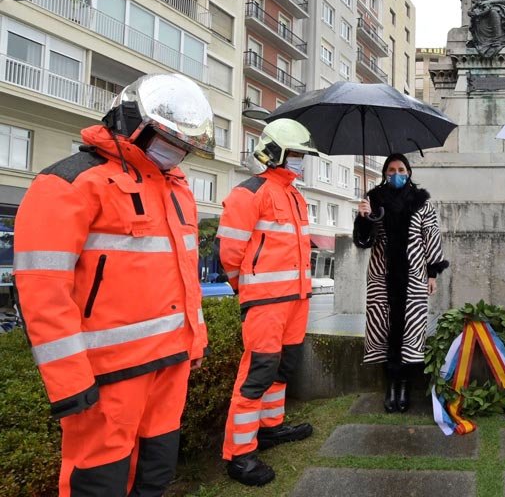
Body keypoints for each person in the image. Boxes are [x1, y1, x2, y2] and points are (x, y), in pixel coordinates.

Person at [12, 73, 213, 496]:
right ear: (131, 120)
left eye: (185, 145)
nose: (177, 151)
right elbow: (41, 291)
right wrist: (69, 382)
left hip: (169, 367)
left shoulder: (178, 189)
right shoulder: (68, 183)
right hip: (105, 378)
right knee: (98, 484)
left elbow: (184, 274)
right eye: (168, 138)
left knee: (155, 478)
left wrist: (194, 342)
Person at [217, 118, 319, 486]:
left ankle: (270, 427)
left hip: (296, 299)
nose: (300, 161)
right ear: (274, 152)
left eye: (302, 155)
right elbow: (229, 252)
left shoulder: (294, 195)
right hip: (266, 302)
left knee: (282, 369)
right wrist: (248, 291)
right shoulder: (249, 192)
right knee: (257, 373)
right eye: (295, 154)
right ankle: (240, 454)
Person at [353, 153, 448, 413]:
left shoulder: (421, 202)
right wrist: (363, 218)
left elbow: (431, 236)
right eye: (392, 169)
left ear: (409, 172)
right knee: (383, 327)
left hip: (414, 276)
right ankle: (390, 385)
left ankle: (404, 385)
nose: (397, 174)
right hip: (382, 276)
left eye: (401, 169)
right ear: (385, 173)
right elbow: (364, 242)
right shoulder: (373, 199)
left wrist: (432, 273)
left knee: (410, 329)